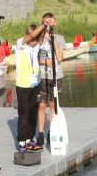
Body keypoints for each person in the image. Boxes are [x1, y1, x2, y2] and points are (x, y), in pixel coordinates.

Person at [35, 12, 64, 149]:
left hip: (56, 77)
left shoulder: (59, 38)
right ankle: (40, 133)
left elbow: (60, 58)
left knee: (53, 105)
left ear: (55, 23)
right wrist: (44, 34)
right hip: (43, 78)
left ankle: (51, 132)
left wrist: (53, 41)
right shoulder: (40, 39)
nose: (49, 23)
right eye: (46, 21)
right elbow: (39, 59)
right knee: (41, 105)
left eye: (51, 21)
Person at [14, 24, 42, 152]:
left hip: (35, 83)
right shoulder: (21, 44)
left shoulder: (35, 46)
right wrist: (43, 26)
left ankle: (30, 139)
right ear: (26, 36)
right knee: (24, 114)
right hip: (23, 85)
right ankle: (21, 142)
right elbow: (32, 35)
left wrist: (47, 26)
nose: (35, 42)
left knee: (33, 113)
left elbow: (39, 37)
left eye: (36, 40)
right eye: (32, 40)